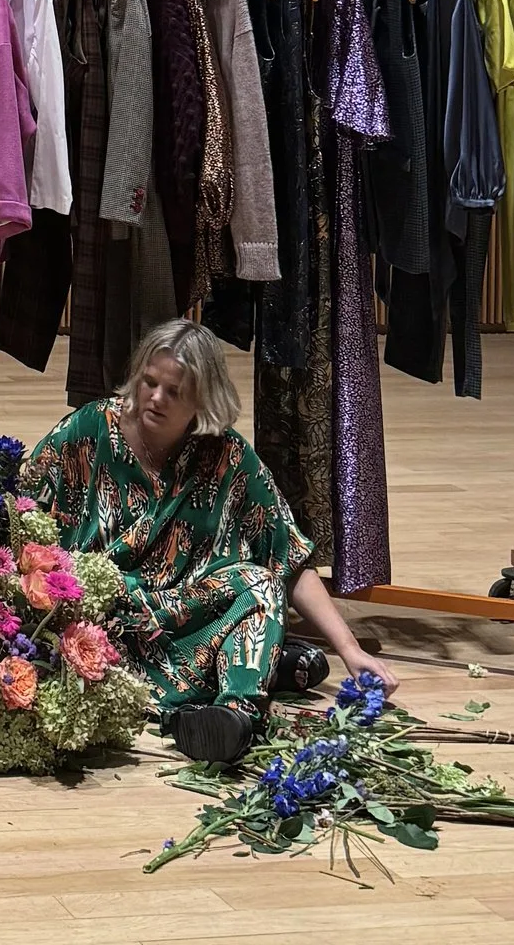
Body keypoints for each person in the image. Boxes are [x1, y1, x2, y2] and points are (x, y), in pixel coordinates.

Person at [22, 316, 396, 772]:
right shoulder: (87, 431)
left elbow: (289, 558)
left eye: (173, 391)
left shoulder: (228, 457)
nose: (154, 398)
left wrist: (350, 649)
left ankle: (231, 718)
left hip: (180, 617)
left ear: (202, 402)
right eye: (149, 382)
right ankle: (257, 664)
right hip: (101, 625)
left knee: (258, 585)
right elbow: (21, 512)